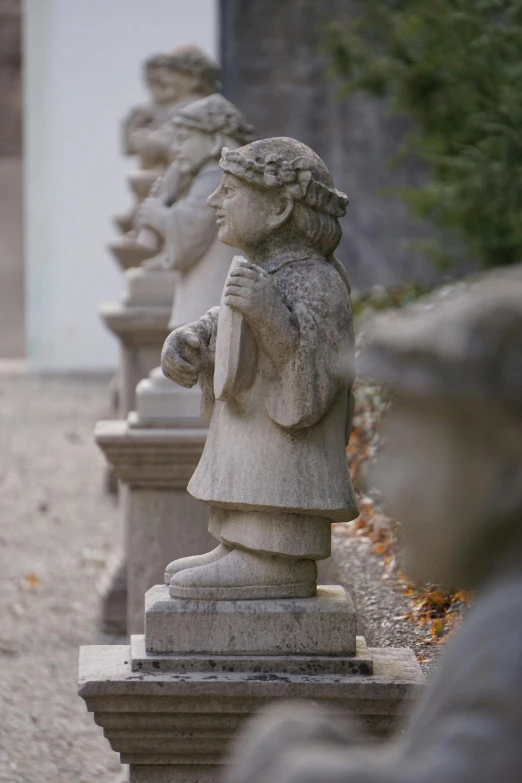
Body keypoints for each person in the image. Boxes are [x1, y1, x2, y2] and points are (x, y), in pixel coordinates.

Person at [226, 268, 522, 783]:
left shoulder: (510, 649)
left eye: (413, 448)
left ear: (505, 456)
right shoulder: (500, 622)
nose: (383, 479)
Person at [161, 137, 359, 600]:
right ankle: (240, 539)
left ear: (278, 209)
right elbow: (227, 336)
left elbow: (310, 395)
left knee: (274, 438)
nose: (214, 199)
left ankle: (277, 557)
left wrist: (270, 316)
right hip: (254, 461)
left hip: (292, 481)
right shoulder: (261, 271)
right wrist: (193, 345)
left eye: (230, 190)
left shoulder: (318, 281)